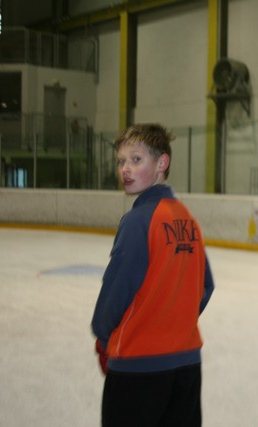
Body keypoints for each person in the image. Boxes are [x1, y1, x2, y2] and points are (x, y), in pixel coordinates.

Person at [91, 123, 215, 427]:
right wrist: (174, 321)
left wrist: (103, 335)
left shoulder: (138, 221)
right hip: (186, 364)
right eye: (121, 161)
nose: (125, 169)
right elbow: (205, 287)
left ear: (162, 163)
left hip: (138, 366)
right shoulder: (187, 219)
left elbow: (117, 289)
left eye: (136, 159)